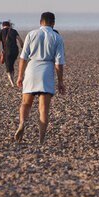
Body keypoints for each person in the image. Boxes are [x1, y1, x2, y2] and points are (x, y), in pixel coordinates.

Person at [15, 12, 66, 144]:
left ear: (40, 22)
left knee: (26, 103)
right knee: (43, 108)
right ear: (53, 23)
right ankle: (41, 139)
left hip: (31, 69)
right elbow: (59, 63)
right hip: (46, 71)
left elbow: (23, 57)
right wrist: (60, 81)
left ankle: (22, 123)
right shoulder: (57, 37)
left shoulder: (31, 34)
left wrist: (20, 75)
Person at [0, 19, 21, 85]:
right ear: (9, 25)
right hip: (15, 51)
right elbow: (20, 40)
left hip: (7, 51)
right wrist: (23, 46)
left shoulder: (1, 32)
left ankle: (12, 83)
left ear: (2, 26)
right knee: (11, 64)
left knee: (8, 66)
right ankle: (12, 80)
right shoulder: (14, 31)